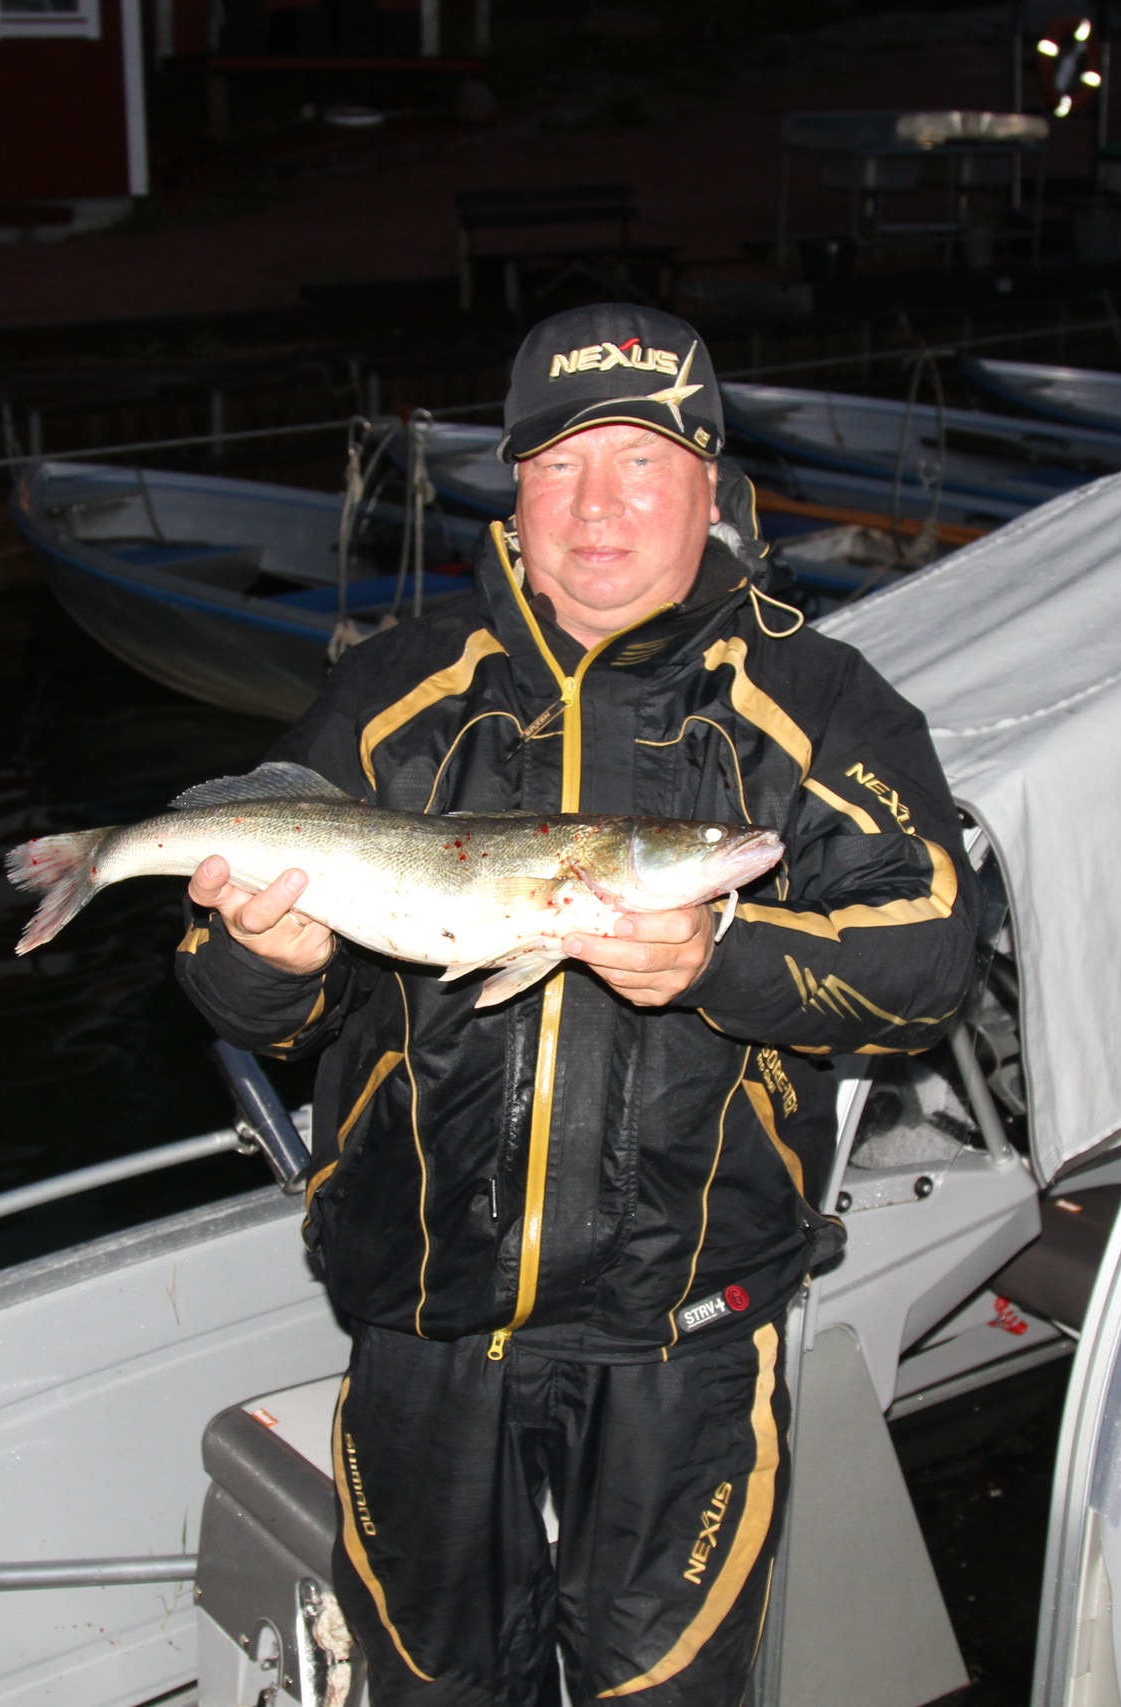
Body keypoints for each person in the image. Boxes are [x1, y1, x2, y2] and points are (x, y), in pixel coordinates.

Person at [176, 303, 978, 1707]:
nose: (597, 508)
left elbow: (931, 959)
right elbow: (245, 1000)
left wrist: (721, 961)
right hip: (425, 1325)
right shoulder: (395, 693)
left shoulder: (818, 701)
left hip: (687, 1342)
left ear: (711, 488)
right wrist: (270, 960)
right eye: (559, 466)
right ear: (514, 489)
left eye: (642, 464)